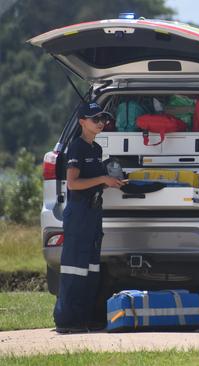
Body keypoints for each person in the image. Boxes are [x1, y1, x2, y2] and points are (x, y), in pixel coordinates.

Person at [53, 102, 124, 333]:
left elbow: (93, 181)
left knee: (92, 267)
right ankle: (66, 321)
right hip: (79, 211)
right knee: (74, 266)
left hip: (94, 211)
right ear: (82, 122)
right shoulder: (77, 148)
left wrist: (111, 181)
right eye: (96, 119)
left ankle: (84, 318)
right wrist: (103, 180)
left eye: (103, 119)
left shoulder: (95, 149)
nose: (101, 123)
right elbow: (73, 183)